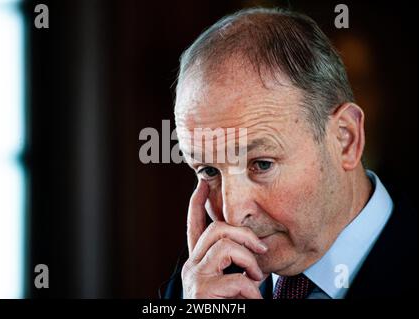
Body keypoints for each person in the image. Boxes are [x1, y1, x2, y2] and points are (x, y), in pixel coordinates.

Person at [162, 7, 417, 299]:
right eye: (209, 170)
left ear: (345, 139)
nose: (233, 214)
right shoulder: (195, 288)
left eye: (261, 164)